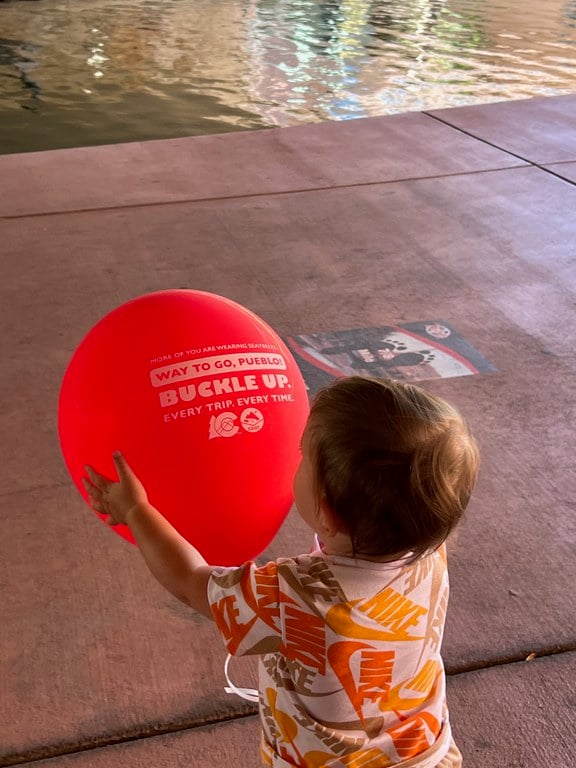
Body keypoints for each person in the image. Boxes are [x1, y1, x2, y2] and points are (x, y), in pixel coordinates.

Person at [84, 376, 479, 768]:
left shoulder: (293, 594)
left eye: (303, 455)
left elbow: (190, 582)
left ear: (326, 510)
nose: (297, 458)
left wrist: (137, 512)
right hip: (425, 754)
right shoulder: (429, 552)